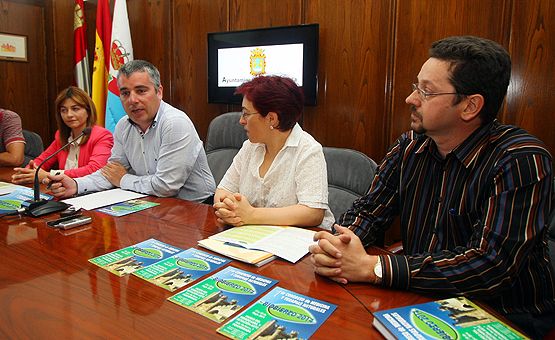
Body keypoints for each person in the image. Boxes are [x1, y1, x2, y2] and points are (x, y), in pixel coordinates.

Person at [309, 36, 555, 338]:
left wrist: (375, 268)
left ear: (469, 106)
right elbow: (369, 211)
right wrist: (338, 247)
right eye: (416, 87)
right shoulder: (410, 147)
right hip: (418, 298)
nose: (410, 99)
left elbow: (490, 265)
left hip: (504, 316)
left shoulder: (520, 159)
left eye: (425, 92)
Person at [48, 60, 215, 203]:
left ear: (159, 92)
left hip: (195, 208)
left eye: (141, 91)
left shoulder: (175, 124)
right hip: (151, 202)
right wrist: (76, 184)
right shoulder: (123, 126)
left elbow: (166, 187)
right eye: (125, 93)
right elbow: (111, 172)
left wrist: (123, 179)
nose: (132, 100)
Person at [213, 75, 334, 230]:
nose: (241, 121)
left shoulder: (308, 150)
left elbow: (313, 212)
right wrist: (229, 210)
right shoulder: (249, 147)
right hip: (251, 236)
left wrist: (251, 215)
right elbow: (223, 190)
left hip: (299, 244)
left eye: (246, 113)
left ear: (271, 119)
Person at [11, 86, 113, 184]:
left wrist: (50, 175)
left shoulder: (102, 136)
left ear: (88, 111)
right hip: (64, 191)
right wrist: (26, 173)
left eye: (75, 109)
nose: (69, 115)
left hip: (90, 193)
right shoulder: (61, 136)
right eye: (64, 110)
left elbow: (95, 169)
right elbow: (42, 161)